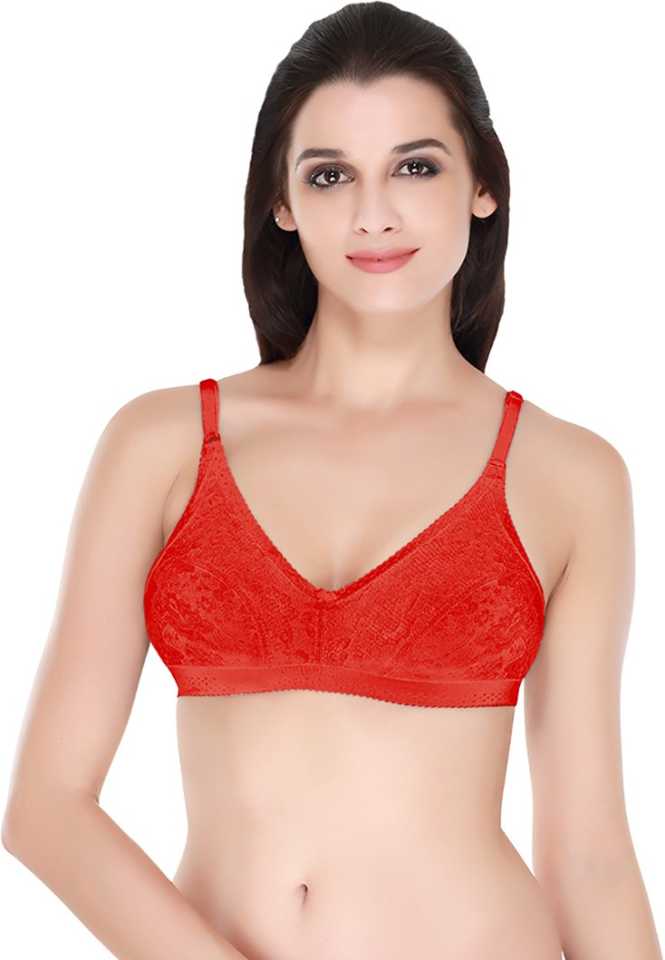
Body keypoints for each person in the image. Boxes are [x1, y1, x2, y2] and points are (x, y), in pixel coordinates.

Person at [3, 3, 662, 959]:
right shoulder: (163, 445)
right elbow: (46, 807)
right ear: (281, 201)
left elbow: (589, 855)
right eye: (329, 174)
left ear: (483, 185)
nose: (373, 212)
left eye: (416, 166)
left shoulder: (570, 476)